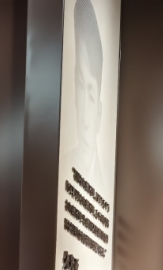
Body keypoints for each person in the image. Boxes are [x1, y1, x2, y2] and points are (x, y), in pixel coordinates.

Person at [67, 0, 106, 191]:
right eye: (81, 87)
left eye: (90, 97)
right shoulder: (64, 164)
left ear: (99, 114)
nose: (83, 119)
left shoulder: (103, 190)